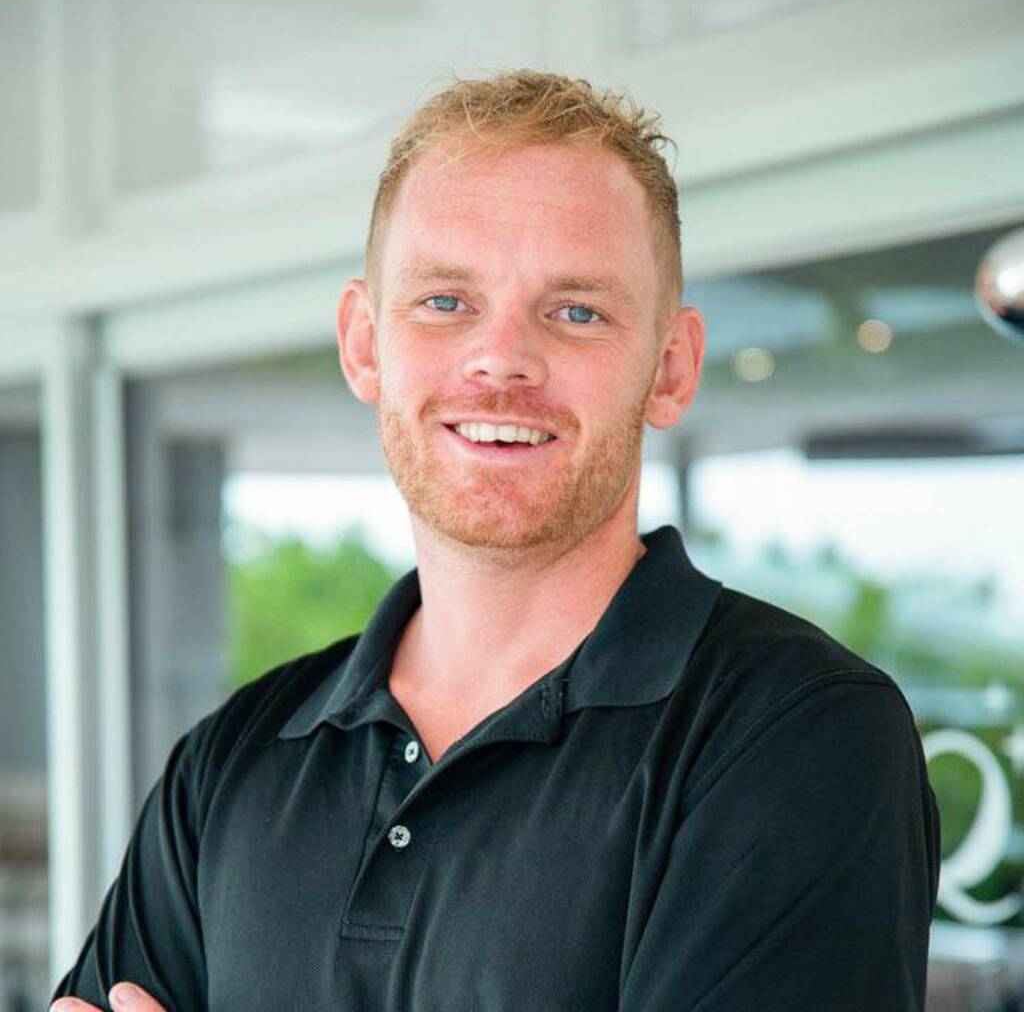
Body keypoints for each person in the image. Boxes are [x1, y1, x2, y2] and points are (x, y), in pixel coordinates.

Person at [51, 69, 940, 1012]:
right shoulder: (233, 760)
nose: (502, 359)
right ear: (363, 344)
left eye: (577, 311)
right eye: (445, 301)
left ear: (670, 370)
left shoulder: (796, 735)